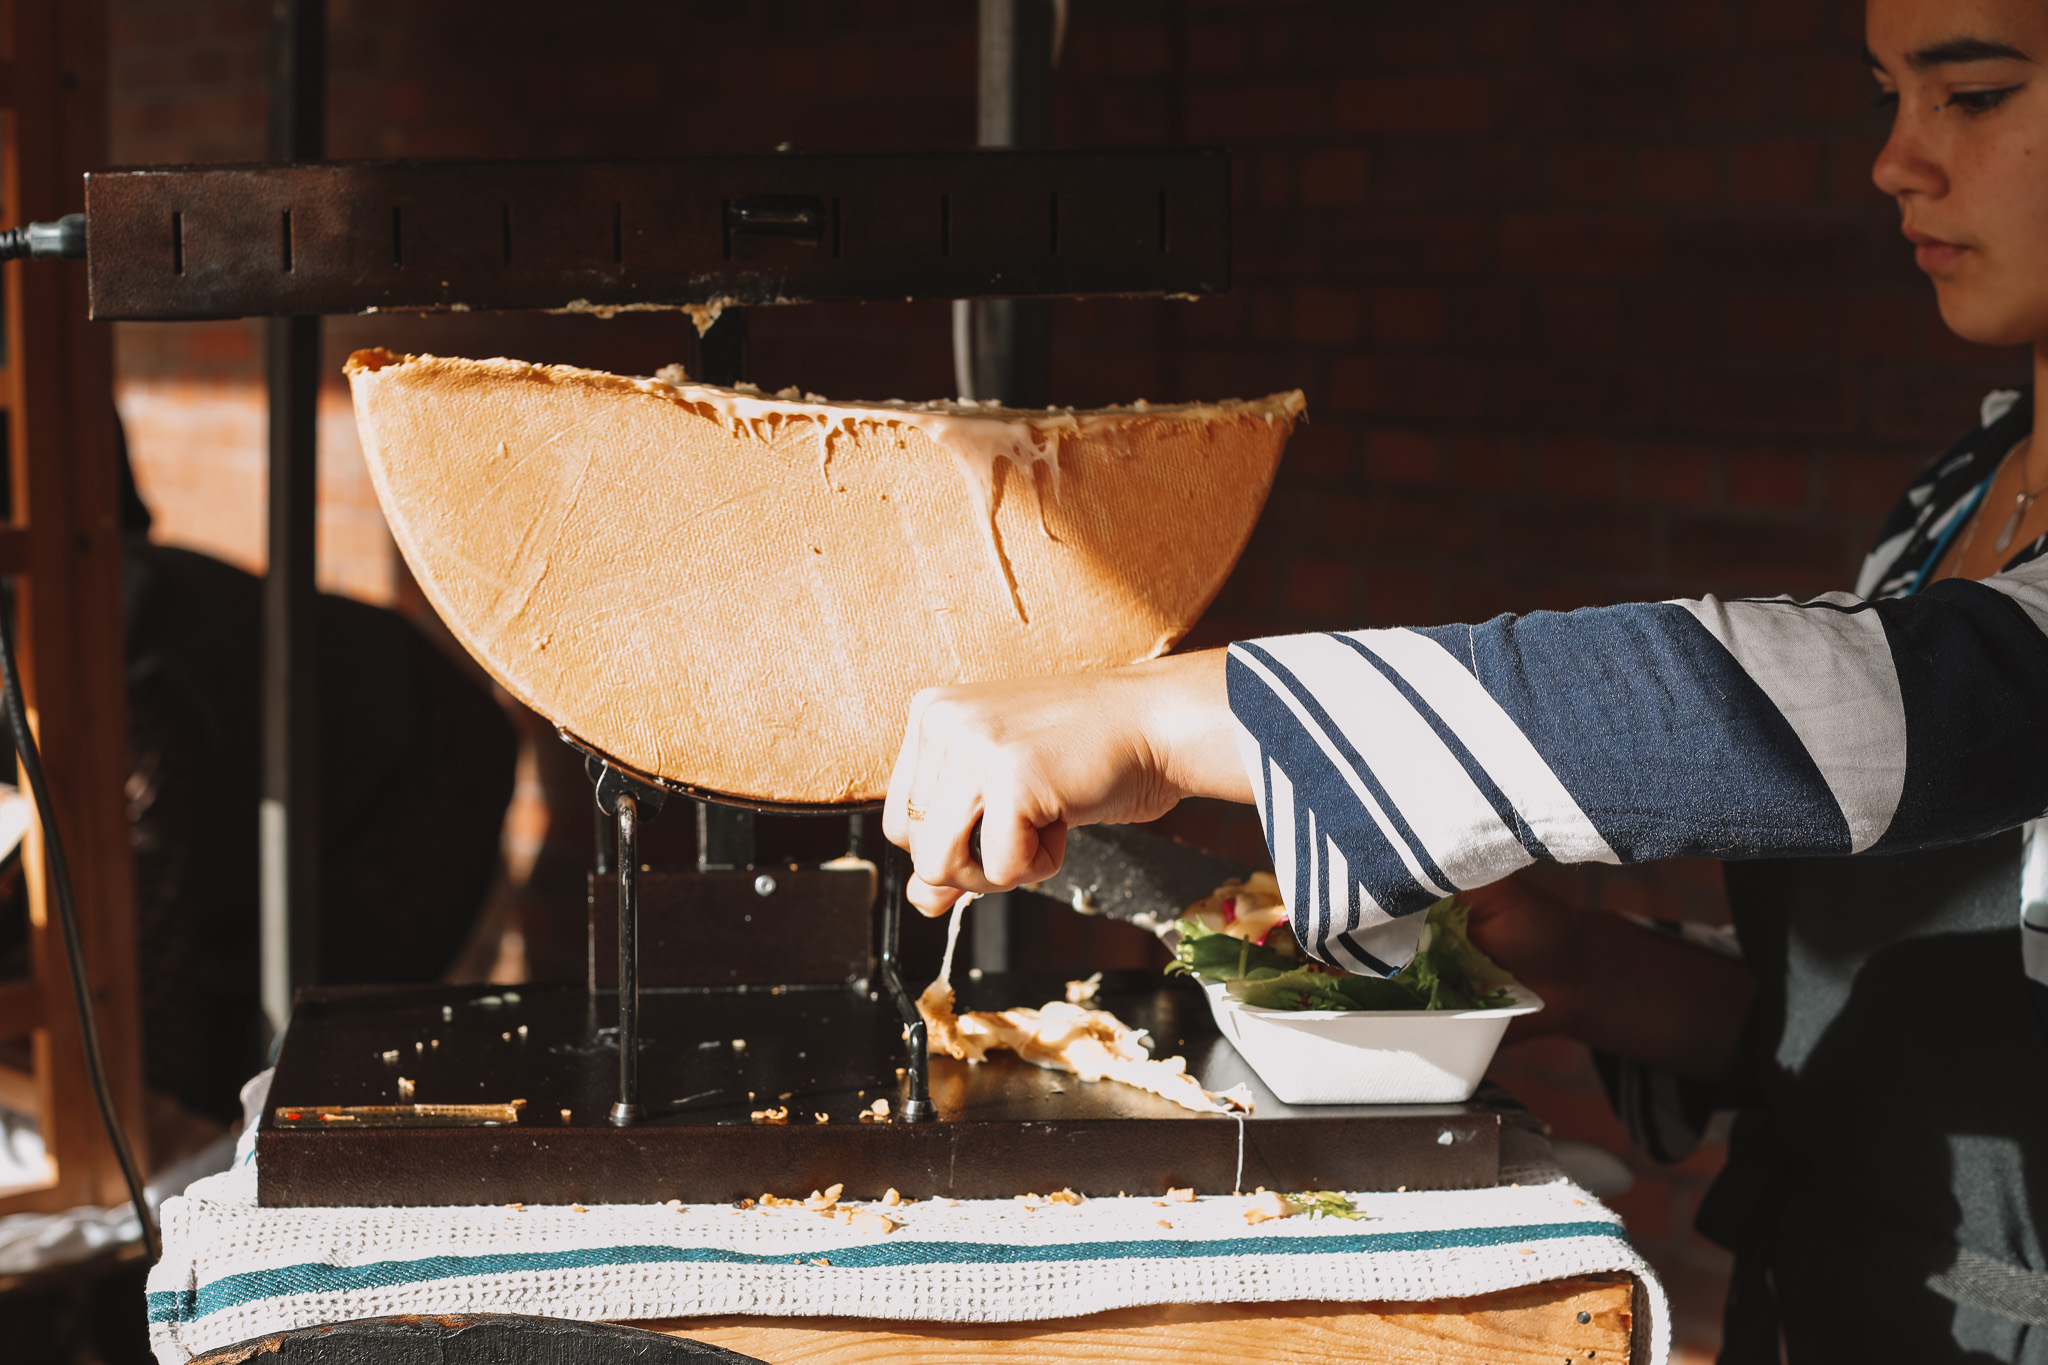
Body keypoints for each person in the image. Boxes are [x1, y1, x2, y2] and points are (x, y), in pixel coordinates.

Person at [884, 2, 2048, 1358]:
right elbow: (1906, 1018)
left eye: (1971, 94)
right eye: (1885, 96)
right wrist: (1596, 972)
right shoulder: (1955, 500)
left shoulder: (1952, 636)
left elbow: (1860, 704)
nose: (1895, 161)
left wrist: (1170, 715)